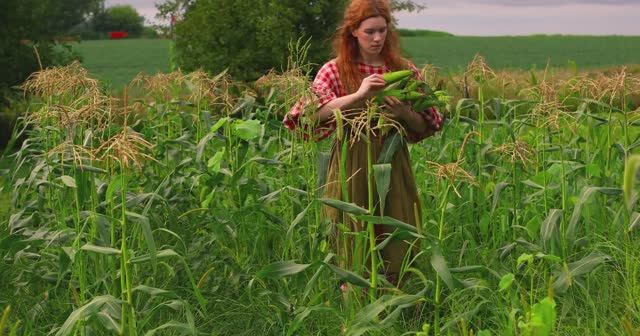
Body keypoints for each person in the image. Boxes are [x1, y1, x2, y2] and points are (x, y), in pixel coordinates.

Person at [283, 0, 443, 286]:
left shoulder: (403, 69)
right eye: (369, 31)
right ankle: (353, 303)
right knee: (351, 234)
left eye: (382, 30)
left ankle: (397, 303)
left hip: (392, 160)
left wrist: (404, 113)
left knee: (397, 231)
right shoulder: (334, 70)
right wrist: (359, 95)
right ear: (353, 31)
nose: (377, 38)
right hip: (350, 160)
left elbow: (429, 123)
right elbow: (307, 116)